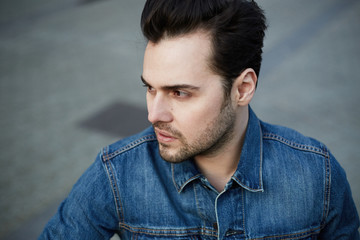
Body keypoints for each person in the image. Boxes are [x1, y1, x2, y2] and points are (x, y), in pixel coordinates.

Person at [39, 0, 360, 239]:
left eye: (180, 93)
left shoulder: (317, 176)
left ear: (243, 89)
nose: (154, 114)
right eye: (150, 88)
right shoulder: (116, 175)